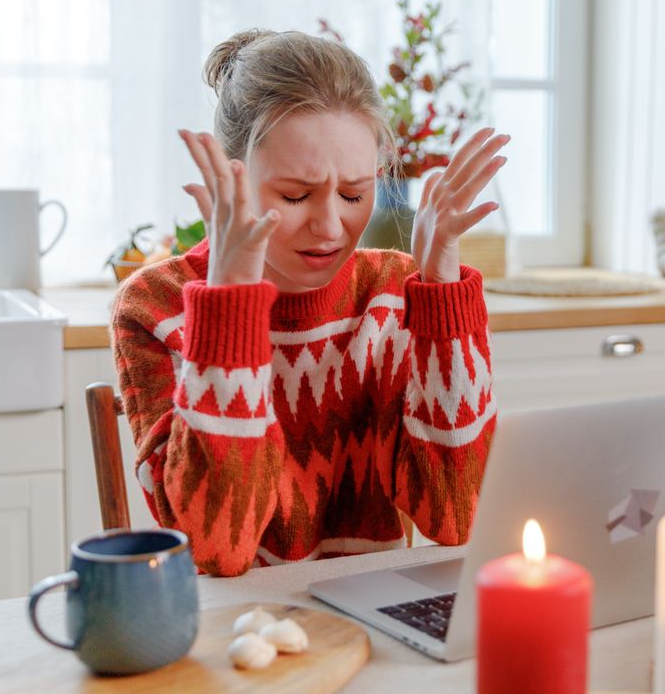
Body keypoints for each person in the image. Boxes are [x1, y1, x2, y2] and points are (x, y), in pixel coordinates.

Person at [111, 29, 508, 576]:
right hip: (229, 634)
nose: (329, 227)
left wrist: (440, 288)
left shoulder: (391, 291)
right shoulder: (157, 306)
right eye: (295, 195)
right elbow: (217, 548)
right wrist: (230, 305)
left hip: (367, 621)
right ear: (235, 177)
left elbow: (456, 517)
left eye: (354, 194)